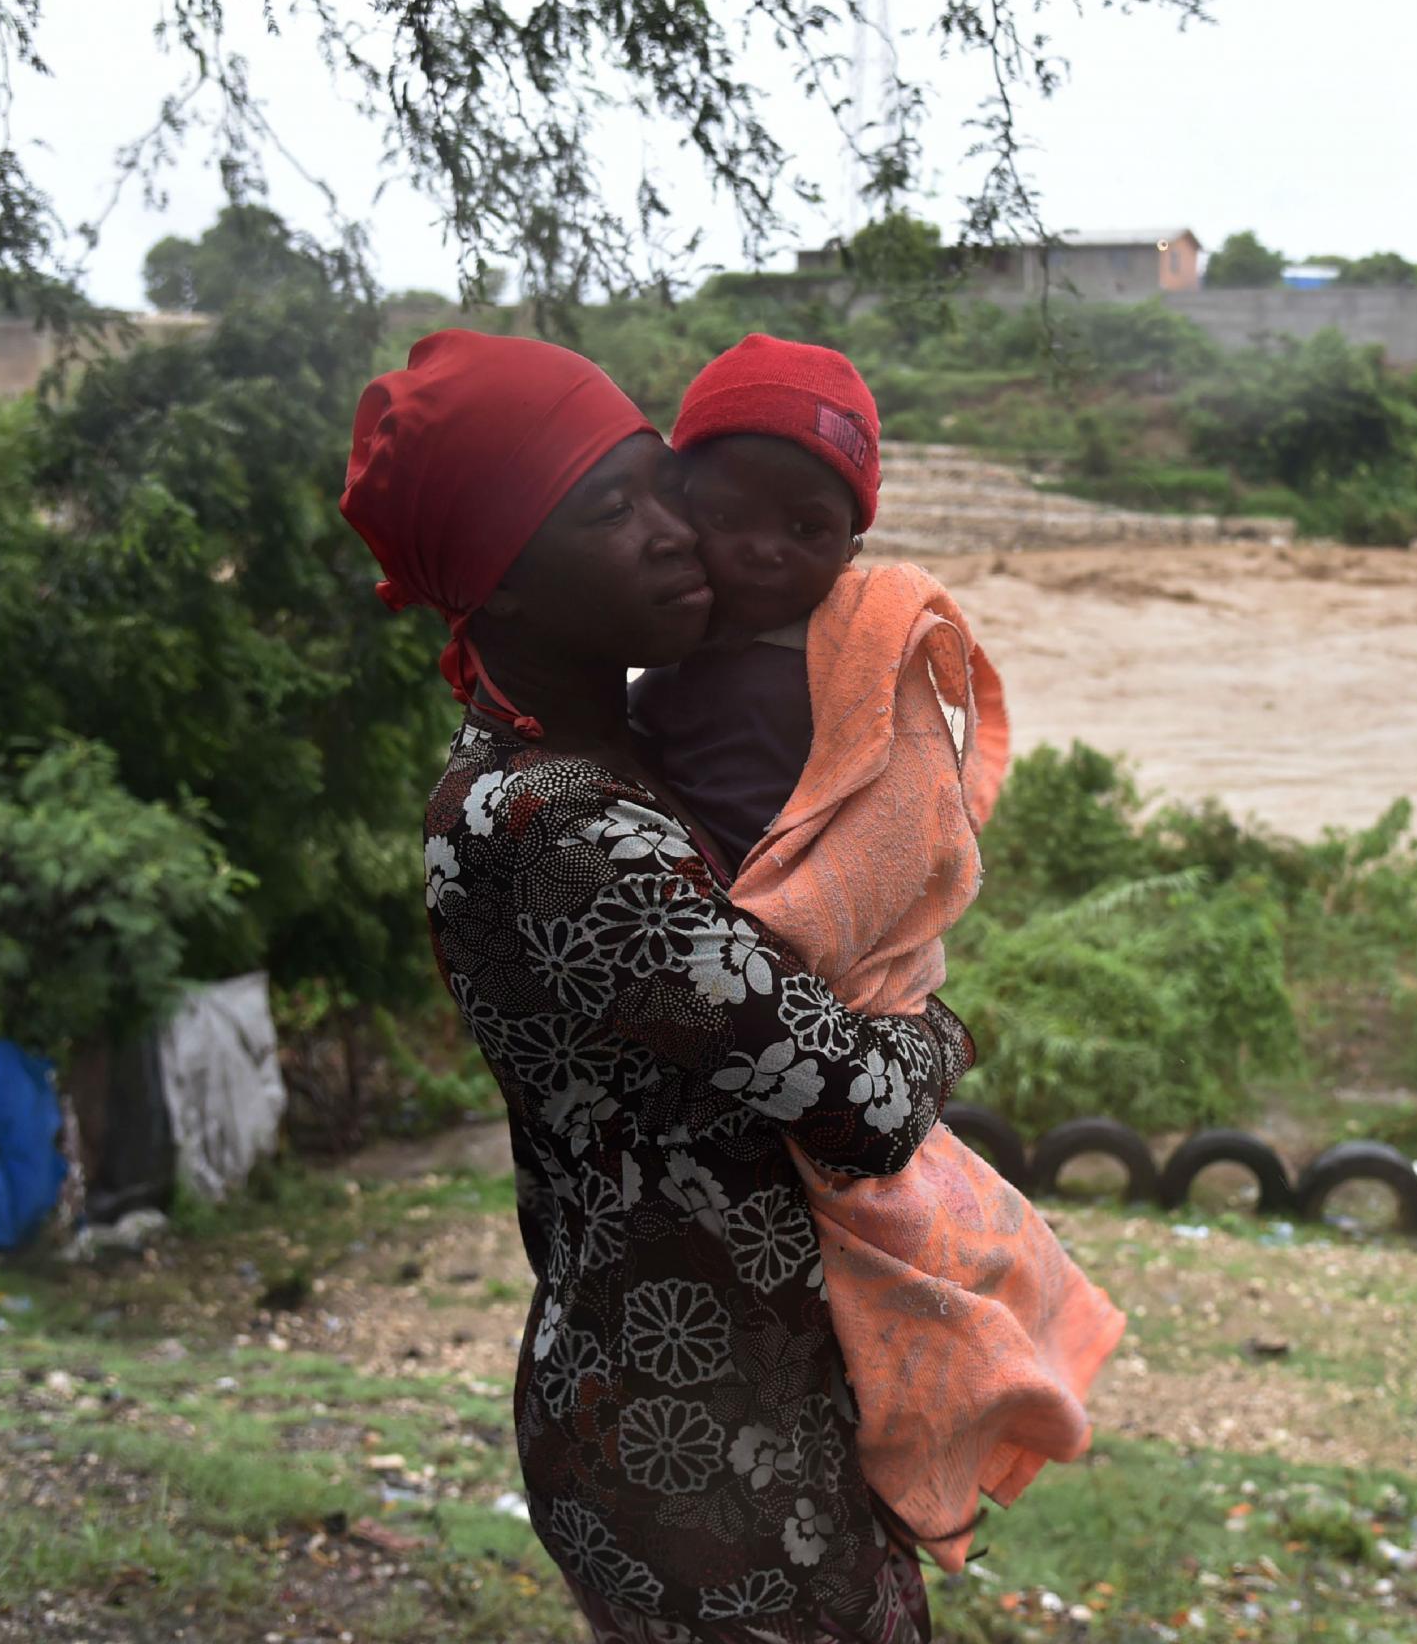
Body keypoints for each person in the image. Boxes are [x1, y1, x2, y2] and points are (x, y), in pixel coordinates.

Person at [340, 327, 965, 1644]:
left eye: (658, 484)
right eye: (609, 511)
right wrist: (937, 1024)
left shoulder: (616, 755)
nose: (677, 532)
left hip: (734, 1396)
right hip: (689, 1448)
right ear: (501, 582)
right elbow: (857, 1104)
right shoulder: (562, 829)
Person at [631, 335, 1122, 1571]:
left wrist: (873, 992)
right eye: (731, 512)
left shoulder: (823, 670)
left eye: (806, 526)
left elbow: (879, 845)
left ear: (849, 548)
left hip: (827, 1004)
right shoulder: (654, 687)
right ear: (674, 501)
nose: (765, 549)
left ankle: (946, 1431)